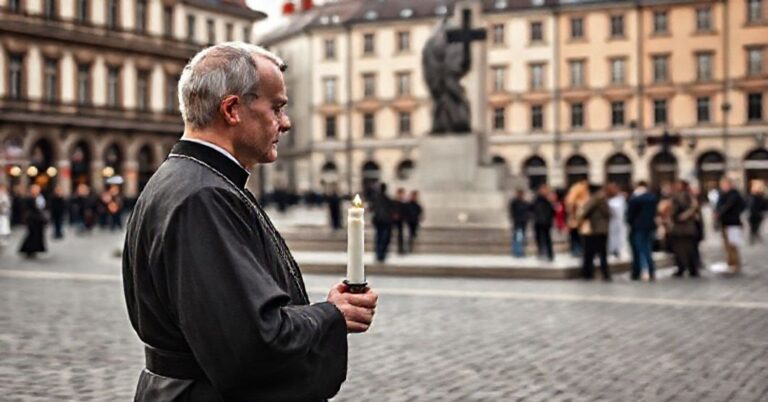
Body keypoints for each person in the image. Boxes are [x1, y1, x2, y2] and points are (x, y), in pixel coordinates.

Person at [122, 43, 378, 402]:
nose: (285, 123)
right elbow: (250, 342)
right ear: (232, 110)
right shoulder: (203, 196)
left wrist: (323, 313)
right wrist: (330, 315)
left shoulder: (191, 179)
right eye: (276, 108)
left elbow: (238, 312)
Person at [626, 181, 658, 281]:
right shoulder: (652, 198)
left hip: (637, 227)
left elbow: (630, 215)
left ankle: (638, 271)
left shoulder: (635, 199)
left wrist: (630, 222)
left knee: (638, 249)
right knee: (647, 248)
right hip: (649, 226)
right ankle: (651, 270)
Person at [667, 180, 700, 277]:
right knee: (685, 249)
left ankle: (686, 268)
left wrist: (677, 216)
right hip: (684, 227)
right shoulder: (688, 196)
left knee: (684, 249)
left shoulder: (683, 197)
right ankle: (688, 268)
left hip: (683, 227)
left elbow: (677, 211)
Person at [579, 185, 611, 281]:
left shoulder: (596, 198)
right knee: (602, 253)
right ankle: (605, 274)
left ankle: (587, 273)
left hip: (594, 230)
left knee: (589, 253)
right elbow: (609, 213)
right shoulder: (603, 199)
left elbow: (585, 211)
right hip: (603, 230)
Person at [715, 177, 746, 274]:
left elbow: (728, 207)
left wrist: (719, 213)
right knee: (727, 245)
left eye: (724, 184)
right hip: (725, 223)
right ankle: (730, 263)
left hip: (733, 223)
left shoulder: (734, 194)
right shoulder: (723, 194)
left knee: (733, 244)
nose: (723, 186)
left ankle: (735, 264)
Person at [19, 184, 47, 258]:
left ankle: (34, 250)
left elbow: (42, 208)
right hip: (32, 219)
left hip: (38, 220)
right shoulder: (29, 198)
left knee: (37, 235)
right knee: (31, 235)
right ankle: (28, 250)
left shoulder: (40, 198)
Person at [565, 180, 589, 257]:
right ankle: (577, 251)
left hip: (576, 222)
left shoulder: (573, 194)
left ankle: (576, 251)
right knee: (577, 237)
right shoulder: (579, 196)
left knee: (576, 237)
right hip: (577, 222)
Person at [531, 185, 555, 261]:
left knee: (547, 239)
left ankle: (549, 254)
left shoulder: (548, 200)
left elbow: (552, 211)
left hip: (546, 223)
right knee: (539, 239)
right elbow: (532, 209)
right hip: (538, 222)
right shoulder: (536, 200)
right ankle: (541, 253)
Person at [371, 182, 393, 263]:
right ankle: (381, 255)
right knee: (383, 238)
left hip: (379, 221)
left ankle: (379, 254)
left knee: (379, 238)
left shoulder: (376, 198)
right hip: (385, 221)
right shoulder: (387, 199)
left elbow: (372, 208)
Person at [508, 189, 531, 258]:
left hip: (523, 223)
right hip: (518, 222)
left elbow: (528, 212)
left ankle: (519, 251)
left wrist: (526, 218)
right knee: (518, 237)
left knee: (520, 238)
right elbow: (512, 212)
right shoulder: (514, 203)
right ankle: (518, 252)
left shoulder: (525, 203)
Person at [606, 183, 626, 258]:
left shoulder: (620, 198)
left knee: (619, 236)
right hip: (610, 222)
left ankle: (617, 250)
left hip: (619, 221)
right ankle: (612, 250)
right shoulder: (607, 198)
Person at [748, 180, 767, 244]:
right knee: (753, 227)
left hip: (758, 214)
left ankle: (755, 236)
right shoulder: (751, 196)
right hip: (752, 214)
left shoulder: (761, 196)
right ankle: (753, 237)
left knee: (756, 226)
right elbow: (749, 205)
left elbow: (765, 205)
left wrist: (763, 211)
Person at [392, 187, 407, 255]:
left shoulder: (403, 202)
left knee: (400, 235)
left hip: (400, 220)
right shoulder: (394, 202)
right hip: (393, 221)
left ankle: (400, 249)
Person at [0, 183, 11, 248]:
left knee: (4, 227)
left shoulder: (5, 195)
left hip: (4, 214)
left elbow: (8, 204)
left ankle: (3, 239)